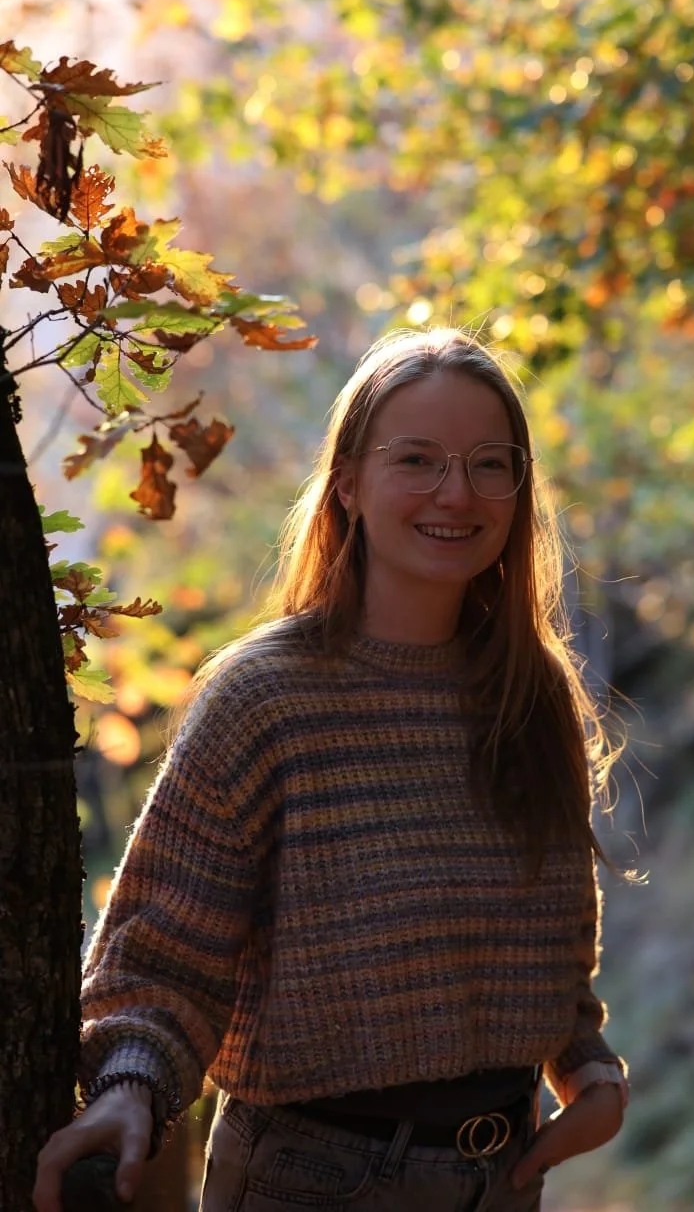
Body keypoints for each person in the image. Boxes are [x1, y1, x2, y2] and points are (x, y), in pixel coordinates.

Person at [34, 327, 629, 1212]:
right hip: (312, 1180)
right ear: (347, 482)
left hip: (501, 1178)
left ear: (518, 487)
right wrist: (129, 1089)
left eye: (488, 464)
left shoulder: (529, 693)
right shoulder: (264, 700)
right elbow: (160, 963)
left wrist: (588, 1069)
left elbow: (540, 957)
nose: (456, 493)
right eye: (418, 459)